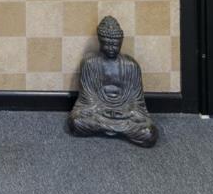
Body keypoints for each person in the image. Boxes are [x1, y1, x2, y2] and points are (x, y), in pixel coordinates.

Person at [68, 15, 158, 147]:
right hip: (98, 112)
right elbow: (87, 99)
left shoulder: (131, 66)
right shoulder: (90, 64)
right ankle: (117, 130)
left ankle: (106, 128)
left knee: (148, 132)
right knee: (76, 122)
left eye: (115, 45)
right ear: (100, 42)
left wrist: (128, 112)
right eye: (107, 44)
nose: (111, 48)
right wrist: (100, 110)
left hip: (125, 115)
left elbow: (137, 102)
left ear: (121, 42)